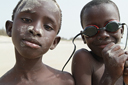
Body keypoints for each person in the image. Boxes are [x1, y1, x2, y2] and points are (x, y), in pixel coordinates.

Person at [0, 0, 74, 85]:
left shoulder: (65, 82)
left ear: (54, 42)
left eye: (47, 27)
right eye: (26, 19)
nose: (36, 30)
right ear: (10, 28)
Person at [71, 0, 128, 85]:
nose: (103, 35)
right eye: (91, 30)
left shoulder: (124, 60)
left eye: (111, 26)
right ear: (84, 37)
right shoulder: (84, 58)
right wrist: (110, 75)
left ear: (121, 31)